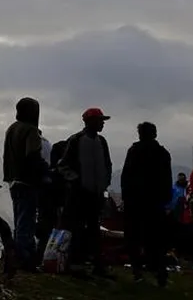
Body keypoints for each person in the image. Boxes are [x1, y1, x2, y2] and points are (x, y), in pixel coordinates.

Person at [58, 107, 113, 276]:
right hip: (79, 194)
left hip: (96, 194)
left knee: (94, 230)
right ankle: (75, 263)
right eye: (100, 120)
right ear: (90, 122)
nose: (102, 123)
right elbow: (63, 165)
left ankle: (97, 265)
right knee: (77, 228)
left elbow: (107, 164)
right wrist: (75, 181)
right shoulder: (76, 140)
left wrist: (105, 183)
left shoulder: (102, 141)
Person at [120, 122, 172, 286]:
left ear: (140, 134)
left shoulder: (134, 151)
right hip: (155, 203)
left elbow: (125, 177)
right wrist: (165, 200)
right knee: (157, 240)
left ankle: (138, 272)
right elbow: (167, 179)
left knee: (133, 238)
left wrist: (126, 198)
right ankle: (160, 271)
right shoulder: (163, 153)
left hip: (135, 203)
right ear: (155, 134)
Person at [2, 97, 48, 269]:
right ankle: (24, 260)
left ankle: (19, 256)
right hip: (28, 182)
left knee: (19, 220)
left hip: (13, 180)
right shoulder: (31, 131)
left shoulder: (11, 129)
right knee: (26, 223)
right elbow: (32, 156)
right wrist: (45, 172)